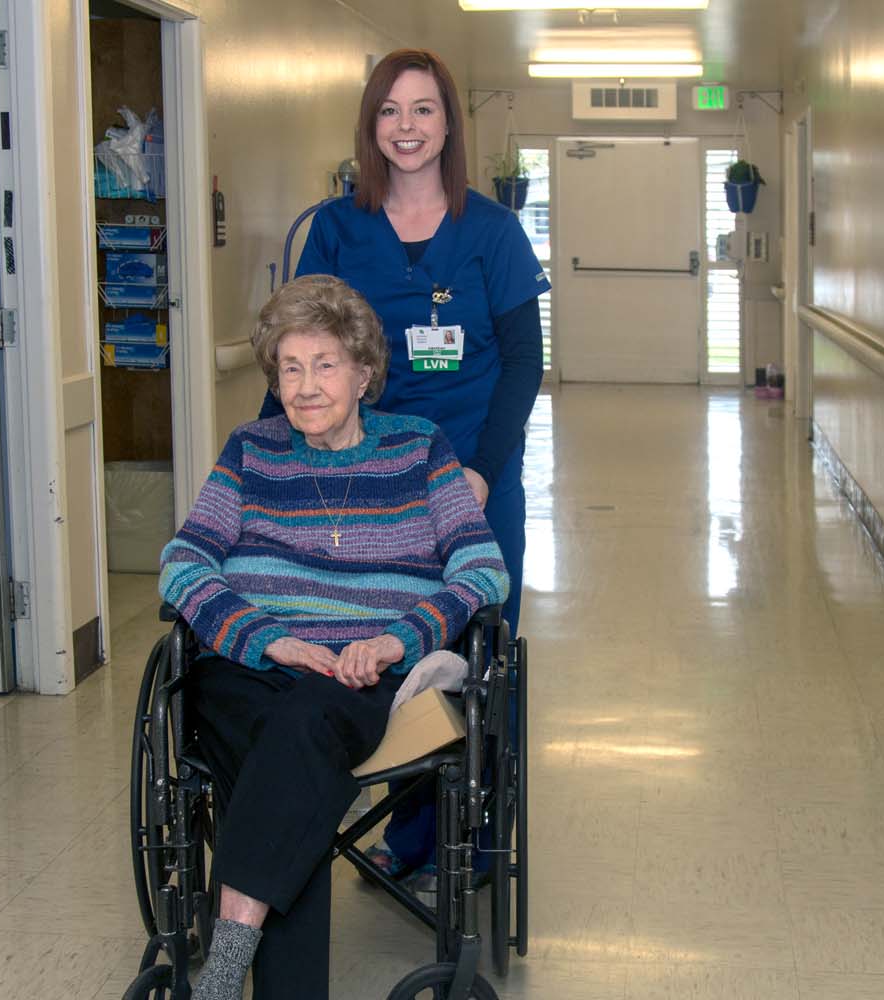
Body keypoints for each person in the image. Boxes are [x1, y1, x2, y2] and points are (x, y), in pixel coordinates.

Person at [160, 275, 508, 1000]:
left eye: (323, 365)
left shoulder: (418, 448)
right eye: (289, 368)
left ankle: (222, 976)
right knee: (293, 765)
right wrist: (266, 640)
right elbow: (183, 560)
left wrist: (394, 641)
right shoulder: (251, 450)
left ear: (362, 373)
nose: (305, 386)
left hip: (356, 677)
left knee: (300, 732)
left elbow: (482, 568)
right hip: (246, 666)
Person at [260, 47, 549, 884]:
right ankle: (388, 817)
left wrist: (484, 472)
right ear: (370, 125)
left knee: (474, 653)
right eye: (389, 111)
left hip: (472, 470)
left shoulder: (490, 231)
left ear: (448, 122)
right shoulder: (337, 229)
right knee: (370, 642)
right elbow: (300, 352)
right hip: (366, 479)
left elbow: (523, 364)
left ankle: (462, 836)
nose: (406, 127)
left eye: (422, 109)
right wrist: (265, 457)